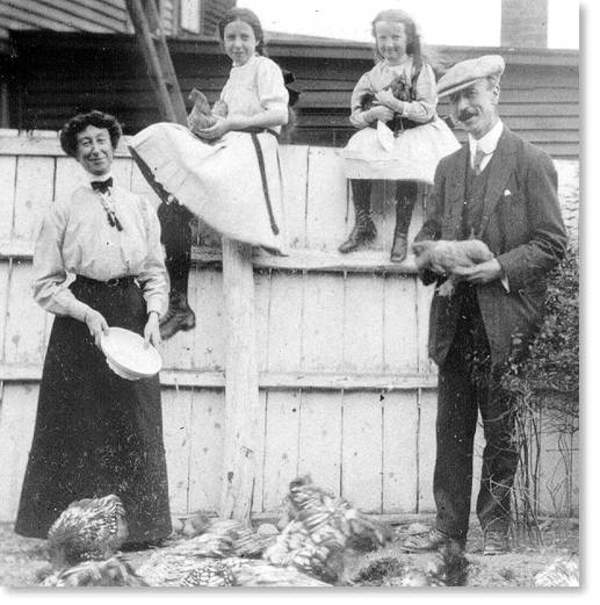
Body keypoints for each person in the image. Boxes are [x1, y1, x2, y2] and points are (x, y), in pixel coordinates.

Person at [406, 56, 567, 554]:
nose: (462, 107)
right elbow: (427, 239)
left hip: (506, 320)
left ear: (495, 91)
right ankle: (447, 527)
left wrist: (498, 268)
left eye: (471, 95)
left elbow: (550, 242)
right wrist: (434, 255)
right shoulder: (448, 167)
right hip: (455, 322)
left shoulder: (530, 160)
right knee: (451, 429)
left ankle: (494, 528)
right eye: (453, 100)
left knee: (501, 431)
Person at [14, 110, 172, 549]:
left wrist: (154, 314)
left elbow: (155, 271)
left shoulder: (140, 206)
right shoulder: (62, 210)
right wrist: (83, 312)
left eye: (101, 140)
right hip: (80, 320)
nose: (95, 149)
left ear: (113, 144)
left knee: (136, 422)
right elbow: (44, 284)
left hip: (131, 315)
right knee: (78, 424)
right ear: (76, 153)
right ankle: (73, 533)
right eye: (85, 143)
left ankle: (141, 531)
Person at [130, 6, 290, 333]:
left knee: (178, 189)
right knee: (168, 202)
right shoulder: (235, 74)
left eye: (244, 37)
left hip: (252, 152)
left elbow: (279, 115)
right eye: (230, 38)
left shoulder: (265, 67)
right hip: (230, 148)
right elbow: (223, 115)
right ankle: (179, 305)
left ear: (257, 39)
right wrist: (207, 119)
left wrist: (230, 123)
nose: (237, 44)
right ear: (222, 42)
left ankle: (183, 201)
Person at [339, 9, 459, 262]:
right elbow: (355, 115)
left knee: (408, 164)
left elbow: (427, 110)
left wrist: (395, 104)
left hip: (415, 131)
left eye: (395, 37)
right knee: (357, 154)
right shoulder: (373, 75)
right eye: (382, 38)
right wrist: (373, 114)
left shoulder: (419, 70)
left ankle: (401, 234)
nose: (389, 44)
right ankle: (363, 223)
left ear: (409, 40)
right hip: (384, 133)